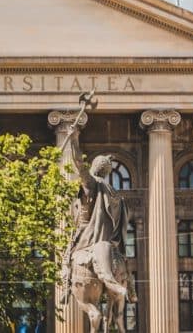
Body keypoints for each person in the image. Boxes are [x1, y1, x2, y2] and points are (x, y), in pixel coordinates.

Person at [61, 123, 136, 302]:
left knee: (66, 258)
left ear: (94, 167)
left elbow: (79, 163)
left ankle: (65, 290)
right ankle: (131, 288)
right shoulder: (112, 191)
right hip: (108, 238)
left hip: (86, 233)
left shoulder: (91, 184)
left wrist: (73, 139)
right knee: (123, 260)